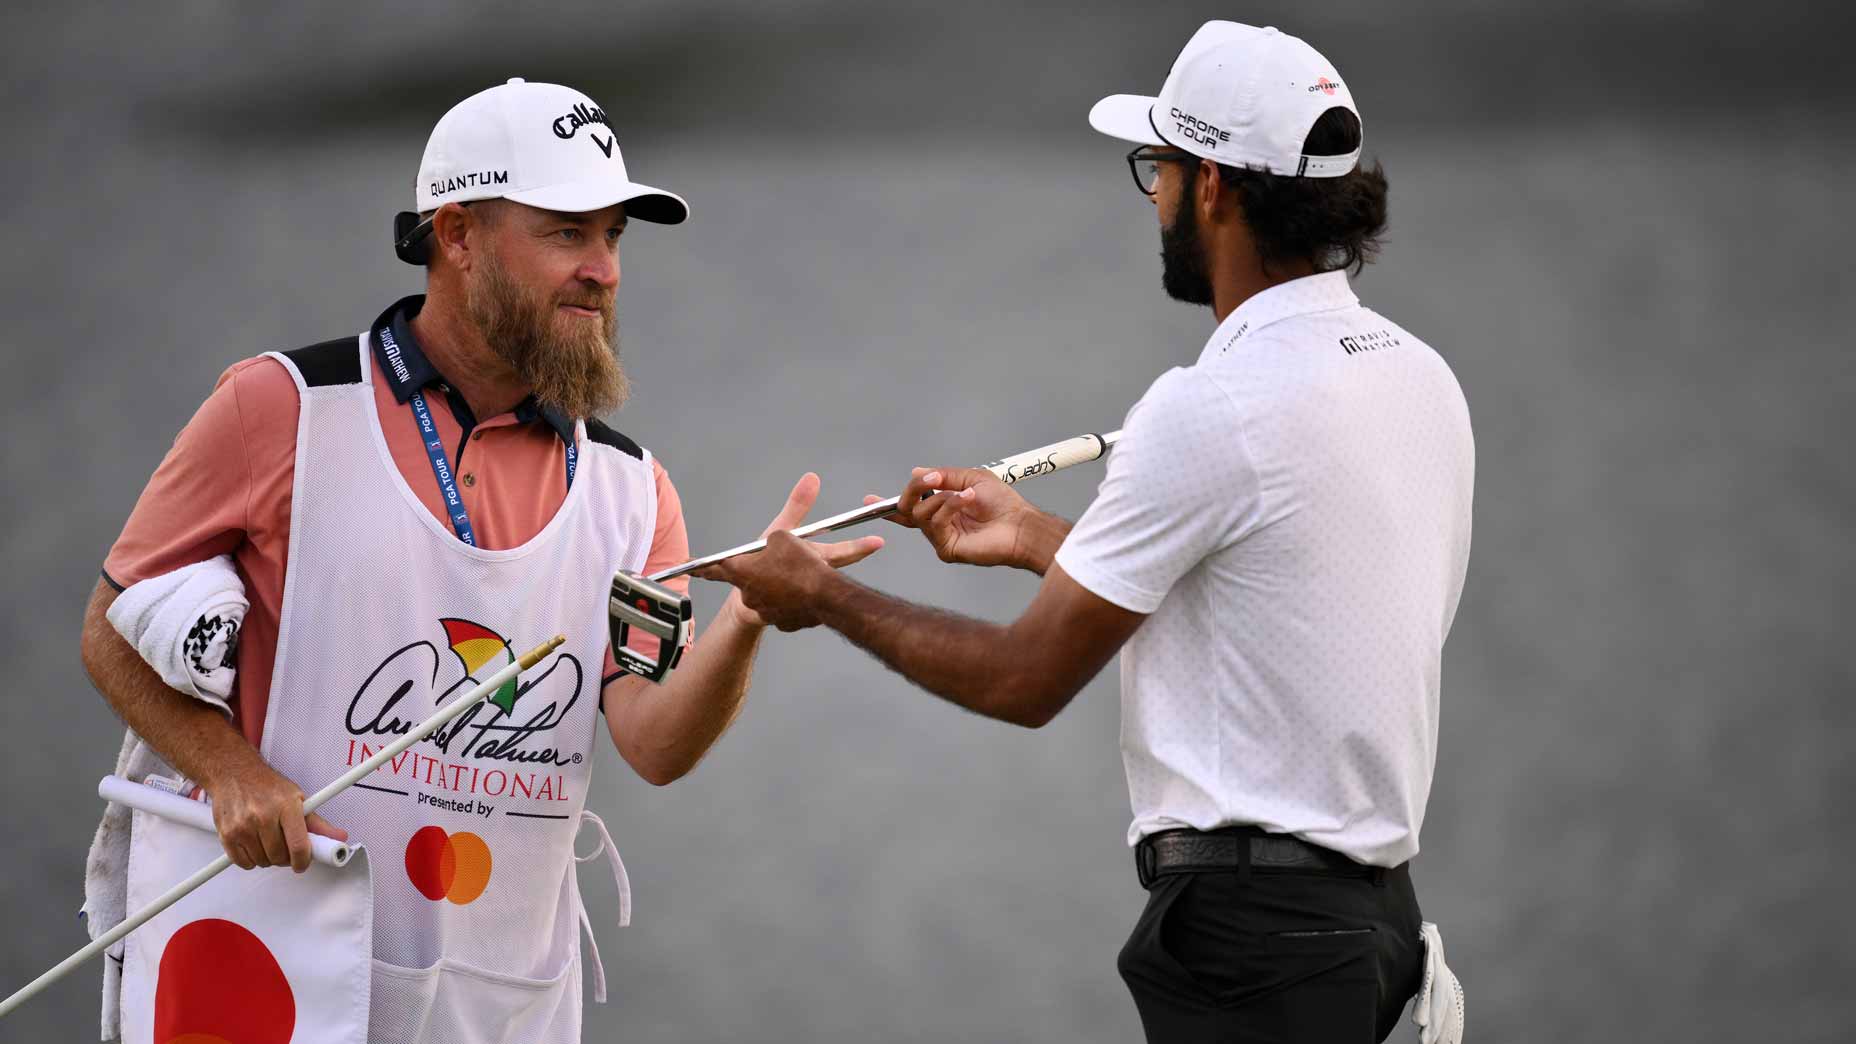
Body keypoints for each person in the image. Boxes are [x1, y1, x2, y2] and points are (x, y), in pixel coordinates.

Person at [697, 22, 1472, 1044]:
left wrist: (822, 596)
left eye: (1157, 167)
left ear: (1210, 187)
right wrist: (1026, 535)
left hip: (1255, 949)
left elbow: (1023, 682)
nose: (1151, 197)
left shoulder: (1208, 405)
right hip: (1379, 930)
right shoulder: (1418, 375)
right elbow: (1271, 612)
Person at [79, 78, 880, 1042]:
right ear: (457, 234)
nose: (604, 270)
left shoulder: (633, 491)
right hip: (277, 981)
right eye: (566, 233)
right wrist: (228, 770)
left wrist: (750, 621)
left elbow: (655, 743)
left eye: (614, 237)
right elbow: (109, 627)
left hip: (503, 1008)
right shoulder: (281, 408)